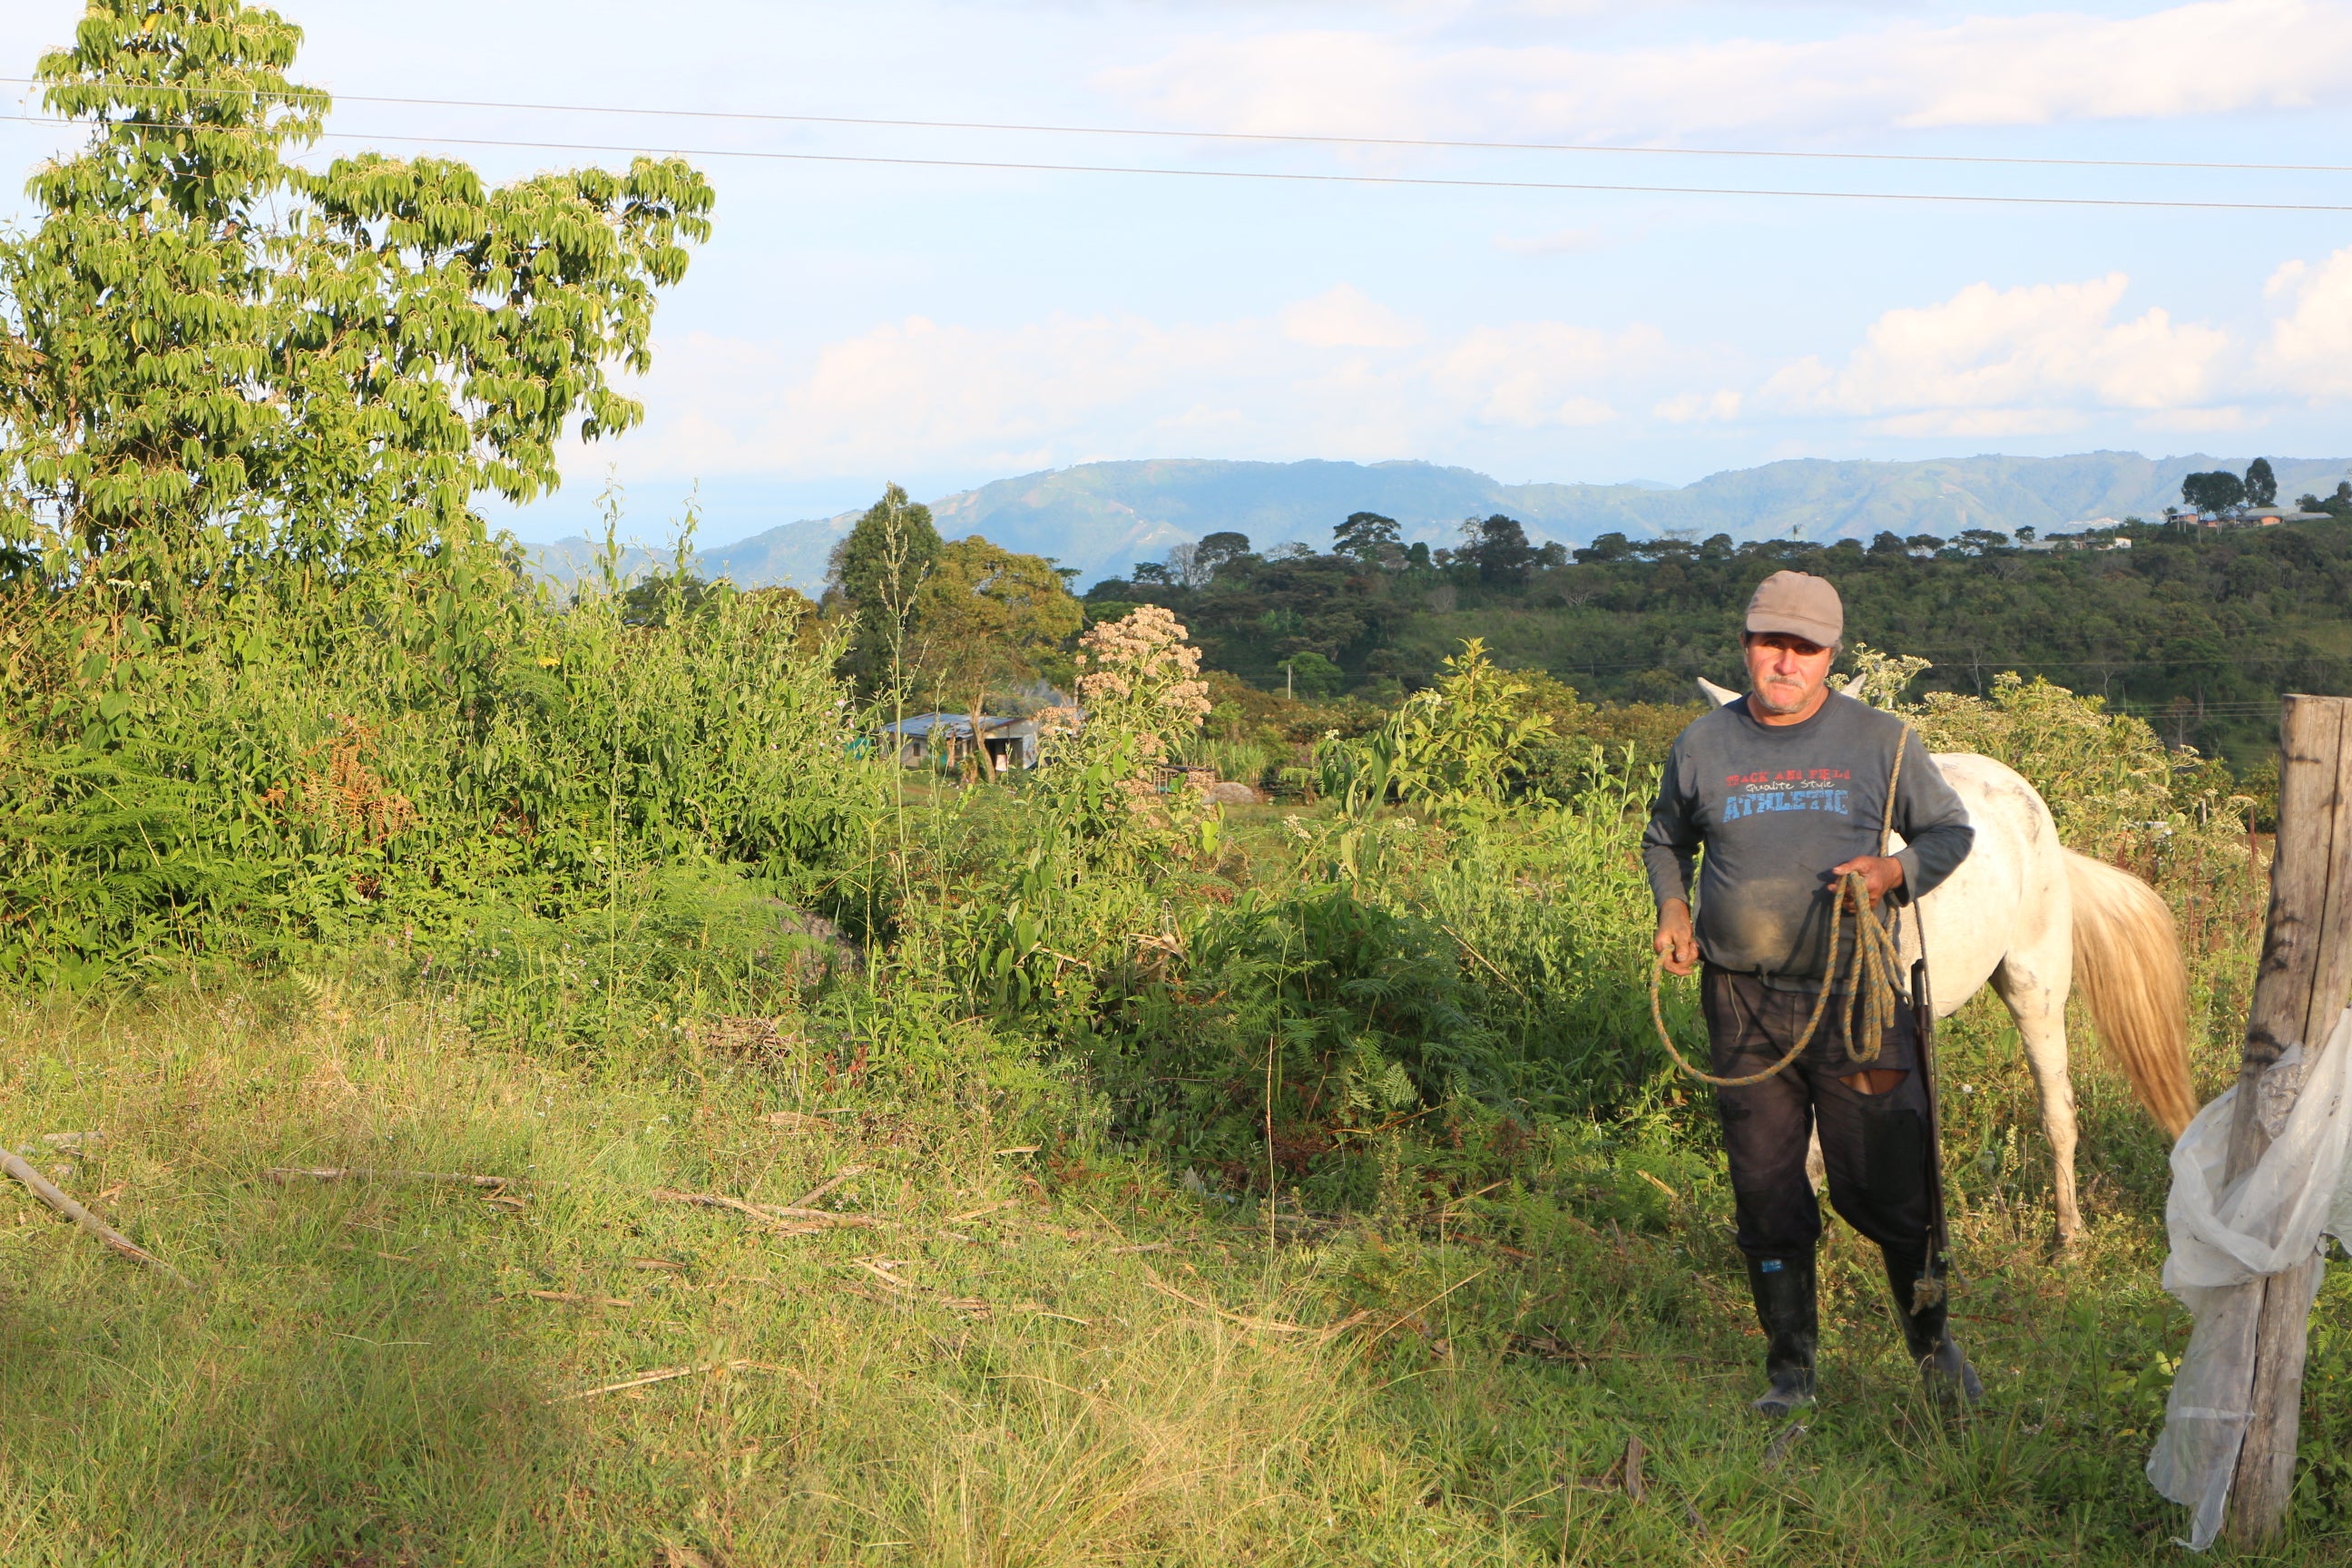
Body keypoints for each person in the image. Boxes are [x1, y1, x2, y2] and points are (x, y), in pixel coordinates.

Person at [1642, 570, 1982, 1415]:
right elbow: (1663, 839)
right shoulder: (1701, 746)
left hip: (1857, 1004)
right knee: (1765, 1190)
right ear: (1747, 645)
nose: (1784, 661)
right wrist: (1676, 910)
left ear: (1831, 654)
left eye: (1804, 647)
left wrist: (1893, 870)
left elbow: (1949, 832)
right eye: (1770, 642)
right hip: (1742, 1002)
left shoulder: (1882, 741)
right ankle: (1791, 1371)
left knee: (1890, 1184)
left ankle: (1932, 1346)